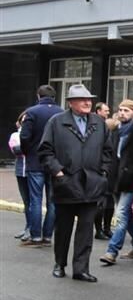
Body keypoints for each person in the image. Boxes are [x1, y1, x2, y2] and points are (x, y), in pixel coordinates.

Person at [37, 84, 113, 281]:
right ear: (71, 103)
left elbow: (108, 151)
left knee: (86, 230)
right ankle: (59, 263)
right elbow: (45, 151)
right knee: (63, 228)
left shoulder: (98, 122)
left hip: (91, 183)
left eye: (89, 99)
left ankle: (81, 269)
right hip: (66, 183)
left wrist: (103, 172)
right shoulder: (57, 122)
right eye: (82, 99)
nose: (88, 102)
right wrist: (58, 172)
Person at [99, 100, 133, 265]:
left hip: (131, 179)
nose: (122, 113)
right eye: (120, 110)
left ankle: (112, 251)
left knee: (120, 214)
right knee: (126, 214)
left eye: (126, 110)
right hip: (115, 179)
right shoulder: (114, 131)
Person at [20, 85, 62, 246]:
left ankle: (36, 235)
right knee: (52, 200)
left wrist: (28, 151)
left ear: (38, 96)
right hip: (54, 162)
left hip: (35, 160)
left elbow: (25, 136)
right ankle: (47, 236)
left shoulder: (32, 112)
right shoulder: (61, 113)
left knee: (35, 199)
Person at [8, 112, 31, 240]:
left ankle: (33, 228)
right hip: (20, 170)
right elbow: (15, 150)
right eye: (23, 118)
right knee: (26, 201)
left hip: (32, 170)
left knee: (33, 201)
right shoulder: (15, 135)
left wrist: (24, 147)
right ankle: (28, 226)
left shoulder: (33, 134)